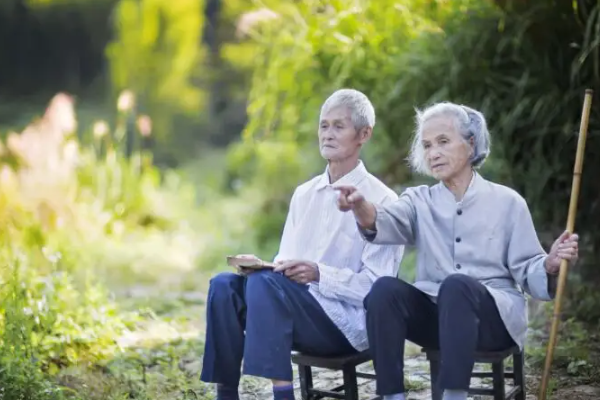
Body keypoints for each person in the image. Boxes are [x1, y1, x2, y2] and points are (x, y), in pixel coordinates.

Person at [334, 101, 580, 400]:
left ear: (470, 143)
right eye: (426, 145)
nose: (433, 153)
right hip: (437, 320)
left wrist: (550, 264)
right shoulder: (418, 200)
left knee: (457, 285)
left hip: (492, 321)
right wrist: (361, 206)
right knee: (384, 290)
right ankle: (392, 395)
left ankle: (453, 396)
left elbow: (529, 269)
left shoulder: (507, 202)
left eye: (443, 142)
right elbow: (384, 221)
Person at [200, 89, 405, 400]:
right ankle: (226, 394)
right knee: (223, 286)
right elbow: (285, 262)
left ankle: (283, 394)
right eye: (324, 126)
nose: (328, 134)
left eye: (339, 126)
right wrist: (262, 266)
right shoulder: (304, 194)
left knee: (266, 285)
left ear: (364, 134)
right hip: (292, 308)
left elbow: (376, 290)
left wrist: (319, 274)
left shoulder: (384, 202)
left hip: (343, 324)